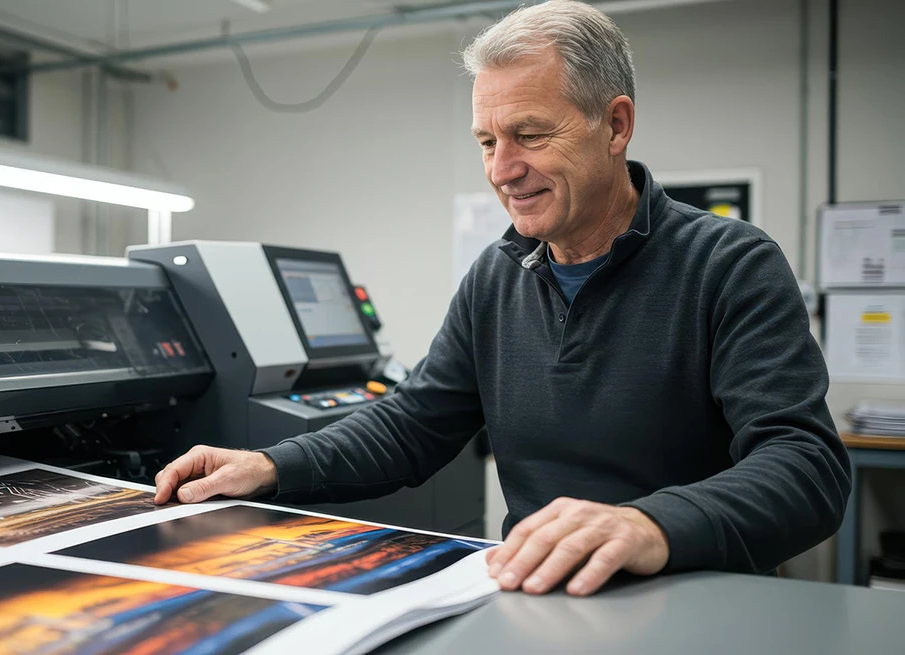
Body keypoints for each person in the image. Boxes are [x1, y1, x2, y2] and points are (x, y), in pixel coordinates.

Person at [152, 0, 851, 597]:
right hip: (543, 601)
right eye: (487, 140)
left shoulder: (729, 265)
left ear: (615, 124)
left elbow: (806, 467)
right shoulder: (498, 276)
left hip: (697, 604)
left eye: (530, 135)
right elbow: (413, 423)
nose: (501, 170)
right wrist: (273, 465)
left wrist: (649, 524)